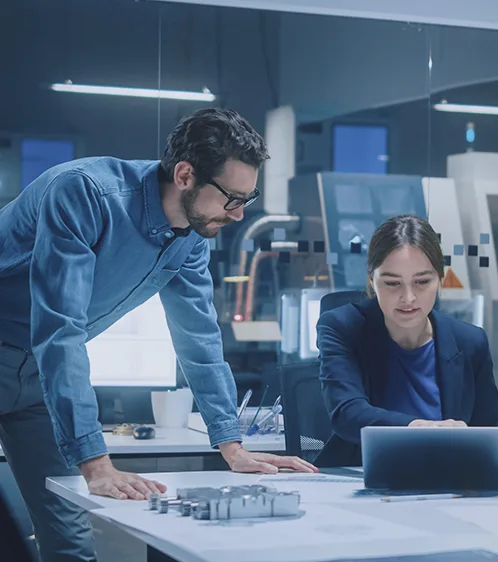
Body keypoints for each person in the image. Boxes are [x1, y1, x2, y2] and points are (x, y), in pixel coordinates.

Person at [0, 108, 317, 562]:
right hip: (36, 351)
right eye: (231, 198)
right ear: (185, 174)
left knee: (71, 540)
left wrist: (231, 443)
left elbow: (200, 338)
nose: (239, 213)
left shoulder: (190, 237)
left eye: (248, 198)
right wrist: (96, 460)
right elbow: (60, 329)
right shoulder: (84, 193)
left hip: (35, 382)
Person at [315, 215, 498, 467]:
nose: (408, 297)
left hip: (451, 484)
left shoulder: (470, 341)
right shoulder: (342, 327)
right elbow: (348, 413)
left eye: (422, 282)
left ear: (440, 278)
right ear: (372, 280)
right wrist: (422, 428)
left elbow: (487, 434)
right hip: (367, 479)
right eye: (392, 283)